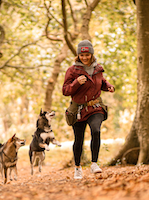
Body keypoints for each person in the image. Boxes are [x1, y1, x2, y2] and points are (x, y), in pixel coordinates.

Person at [62, 40, 115, 179]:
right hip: (78, 110)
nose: (84, 58)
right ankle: (78, 168)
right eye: (82, 55)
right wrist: (75, 83)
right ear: (78, 55)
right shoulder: (72, 70)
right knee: (78, 139)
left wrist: (108, 86)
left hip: (95, 107)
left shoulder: (98, 68)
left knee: (96, 130)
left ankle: (94, 164)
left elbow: (101, 81)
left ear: (92, 54)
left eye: (87, 55)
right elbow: (65, 90)